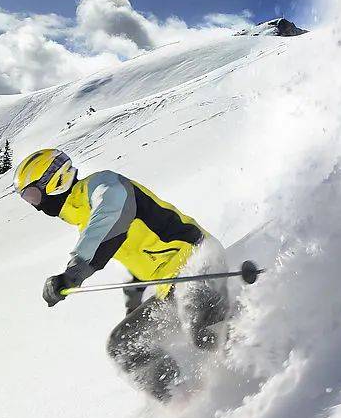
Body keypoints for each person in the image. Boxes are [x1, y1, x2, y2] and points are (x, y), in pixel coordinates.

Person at [13, 148, 229, 401]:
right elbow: (132, 257)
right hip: (170, 288)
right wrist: (134, 303)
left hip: (198, 263)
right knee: (124, 345)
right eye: (27, 199)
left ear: (55, 180)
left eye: (33, 195)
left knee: (200, 325)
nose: (35, 205)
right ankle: (183, 400)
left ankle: (257, 349)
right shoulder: (85, 218)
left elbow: (111, 219)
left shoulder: (104, 185)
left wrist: (73, 272)